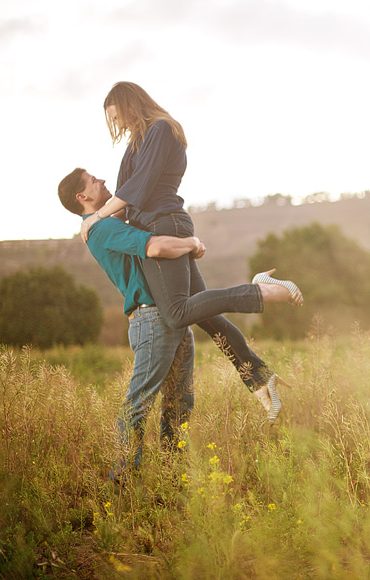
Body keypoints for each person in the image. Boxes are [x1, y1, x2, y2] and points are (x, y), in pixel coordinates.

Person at [79, 82, 298, 423]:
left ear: (131, 104)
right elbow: (122, 202)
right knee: (206, 317)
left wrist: (96, 216)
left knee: (178, 313)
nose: (118, 125)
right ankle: (258, 377)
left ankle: (262, 290)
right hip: (155, 226)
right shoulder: (134, 144)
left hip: (164, 225)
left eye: (118, 116)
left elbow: (138, 188)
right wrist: (95, 219)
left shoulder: (161, 129)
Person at [58, 166, 206, 482]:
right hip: (151, 318)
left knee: (180, 403)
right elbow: (156, 246)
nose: (102, 179)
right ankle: (121, 483)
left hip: (167, 315)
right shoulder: (101, 230)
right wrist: (192, 243)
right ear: (82, 197)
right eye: (93, 180)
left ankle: (174, 480)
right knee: (137, 405)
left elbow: (131, 199)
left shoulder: (105, 222)